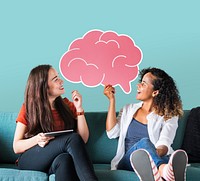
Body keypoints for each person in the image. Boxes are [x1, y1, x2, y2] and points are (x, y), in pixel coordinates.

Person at [13, 64, 98, 181]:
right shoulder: (28, 108)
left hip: (55, 161)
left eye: (58, 77)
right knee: (72, 138)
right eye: (55, 79)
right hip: (32, 159)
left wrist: (79, 109)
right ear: (44, 87)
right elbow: (16, 147)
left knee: (65, 159)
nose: (61, 81)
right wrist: (37, 139)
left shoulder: (67, 106)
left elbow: (82, 139)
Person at [103, 67, 188, 181]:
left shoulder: (169, 115)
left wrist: (150, 157)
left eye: (143, 84)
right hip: (130, 161)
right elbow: (112, 133)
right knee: (144, 143)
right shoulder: (128, 109)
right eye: (140, 82)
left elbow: (164, 143)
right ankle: (163, 170)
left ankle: (159, 172)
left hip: (155, 158)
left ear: (155, 92)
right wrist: (112, 100)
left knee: (157, 154)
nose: (138, 86)